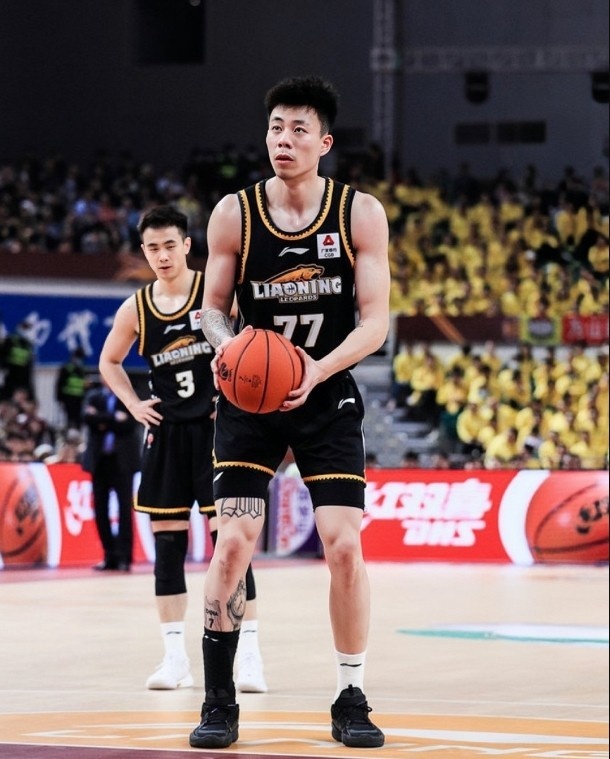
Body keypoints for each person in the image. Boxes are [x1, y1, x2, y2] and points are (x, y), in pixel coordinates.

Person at [190, 75, 390, 750]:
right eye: (276, 127)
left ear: (324, 142)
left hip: (325, 395)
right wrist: (229, 347)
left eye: (299, 129)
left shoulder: (359, 214)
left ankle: (351, 694)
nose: (284, 139)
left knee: (344, 546)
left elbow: (375, 323)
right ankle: (219, 701)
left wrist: (317, 368)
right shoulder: (234, 214)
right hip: (251, 402)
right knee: (233, 543)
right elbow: (211, 309)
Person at [98, 205, 266, 693]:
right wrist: (133, 404)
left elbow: (250, 343)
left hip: (217, 433)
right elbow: (109, 361)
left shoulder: (211, 295)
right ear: (144, 251)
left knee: (230, 546)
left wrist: (238, 397)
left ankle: (249, 655)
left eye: (170, 245)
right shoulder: (136, 308)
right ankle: (175, 659)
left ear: (188, 245)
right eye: (153, 248)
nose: (162, 255)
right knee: (167, 548)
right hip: (167, 435)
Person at [82, 378, 140, 571]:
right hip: (100, 462)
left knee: (124, 510)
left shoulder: (128, 396)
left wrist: (101, 419)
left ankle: (124, 556)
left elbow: (129, 424)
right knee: (100, 509)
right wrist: (114, 418)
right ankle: (109, 555)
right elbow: (88, 419)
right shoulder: (93, 396)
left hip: (122, 462)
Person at [55, 346, 88, 429]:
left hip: (79, 399)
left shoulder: (82, 370)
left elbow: (84, 385)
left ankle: (76, 431)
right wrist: (59, 398)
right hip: (68, 399)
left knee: (78, 419)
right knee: (68, 419)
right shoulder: (66, 369)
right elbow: (59, 384)